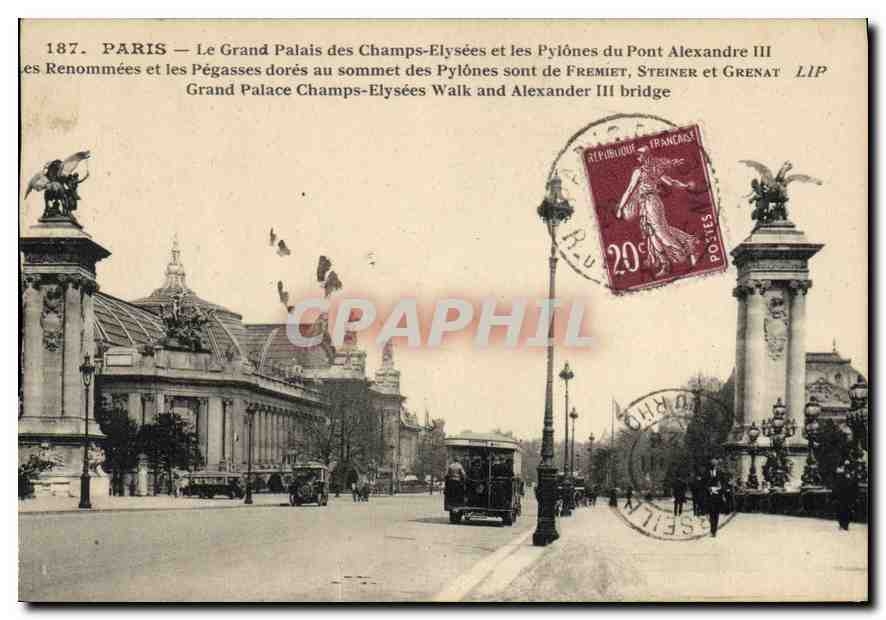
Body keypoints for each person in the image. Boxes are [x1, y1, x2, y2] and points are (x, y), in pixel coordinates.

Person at [615, 146, 701, 277]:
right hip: (647, 203)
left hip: (651, 202)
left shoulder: (642, 171)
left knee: (660, 232)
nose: (638, 158)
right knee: (652, 233)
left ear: (646, 156)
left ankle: (689, 249)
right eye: (637, 156)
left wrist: (621, 207)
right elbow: (671, 182)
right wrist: (685, 185)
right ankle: (665, 264)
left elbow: (630, 189)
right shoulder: (654, 169)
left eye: (640, 155)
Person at [833, 462, 859, 531]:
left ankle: (845, 525)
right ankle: (843, 525)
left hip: (846, 497)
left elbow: (854, 486)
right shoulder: (842, 476)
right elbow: (837, 487)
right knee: (842, 511)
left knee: (846, 511)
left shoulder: (850, 476)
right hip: (843, 497)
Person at [705, 459, 727, 537]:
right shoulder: (706, 473)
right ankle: (712, 529)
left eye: (715, 465)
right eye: (712, 464)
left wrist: (720, 490)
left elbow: (724, 484)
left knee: (716, 514)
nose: (714, 466)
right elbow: (703, 484)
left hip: (718, 496)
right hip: (710, 496)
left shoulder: (720, 473)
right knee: (711, 514)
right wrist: (710, 489)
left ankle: (714, 531)